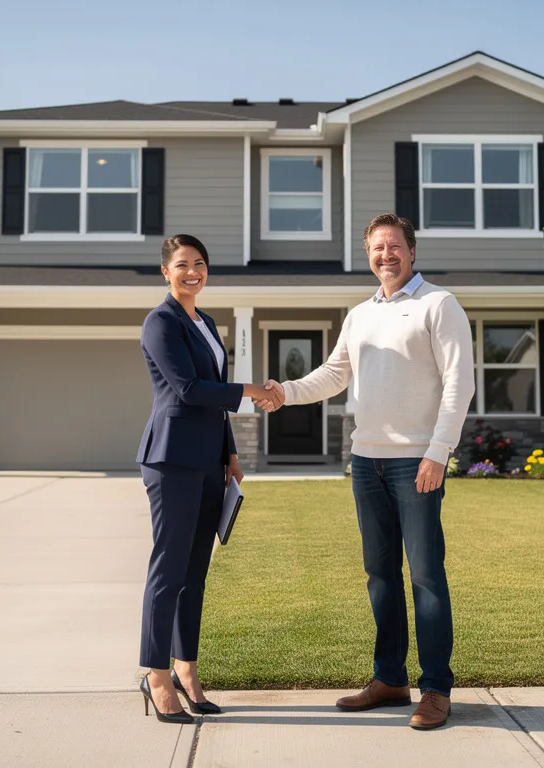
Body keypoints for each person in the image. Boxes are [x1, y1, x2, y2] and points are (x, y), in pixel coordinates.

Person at [260, 213, 474, 730]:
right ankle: (389, 678)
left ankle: (436, 689)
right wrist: (284, 393)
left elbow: (458, 383)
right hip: (366, 462)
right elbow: (335, 374)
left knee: (425, 576)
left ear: (412, 251)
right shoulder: (359, 316)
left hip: (416, 462)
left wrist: (438, 451)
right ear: (369, 254)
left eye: (394, 246)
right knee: (380, 576)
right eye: (377, 247)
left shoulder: (438, 305)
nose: (386, 255)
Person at [136, 234, 277, 723]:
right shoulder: (161, 322)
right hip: (171, 460)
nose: (192, 272)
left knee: (194, 575)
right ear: (165, 272)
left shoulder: (207, 322)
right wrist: (251, 390)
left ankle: (186, 669)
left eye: (199, 264)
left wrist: (231, 453)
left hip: (207, 462)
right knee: (168, 570)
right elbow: (190, 389)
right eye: (182, 265)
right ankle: (155, 675)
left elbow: (213, 406)